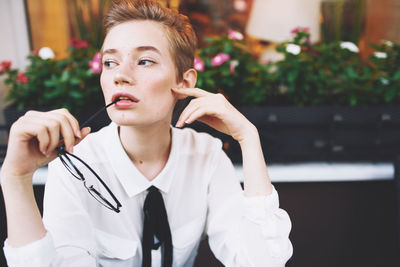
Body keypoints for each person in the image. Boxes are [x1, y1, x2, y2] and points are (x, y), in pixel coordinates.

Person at [1, 0, 292, 266]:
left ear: (184, 81)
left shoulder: (207, 156)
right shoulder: (76, 164)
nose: (120, 75)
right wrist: (15, 180)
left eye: (144, 61)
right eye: (109, 62)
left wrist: (248, 139)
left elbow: (261, 262)